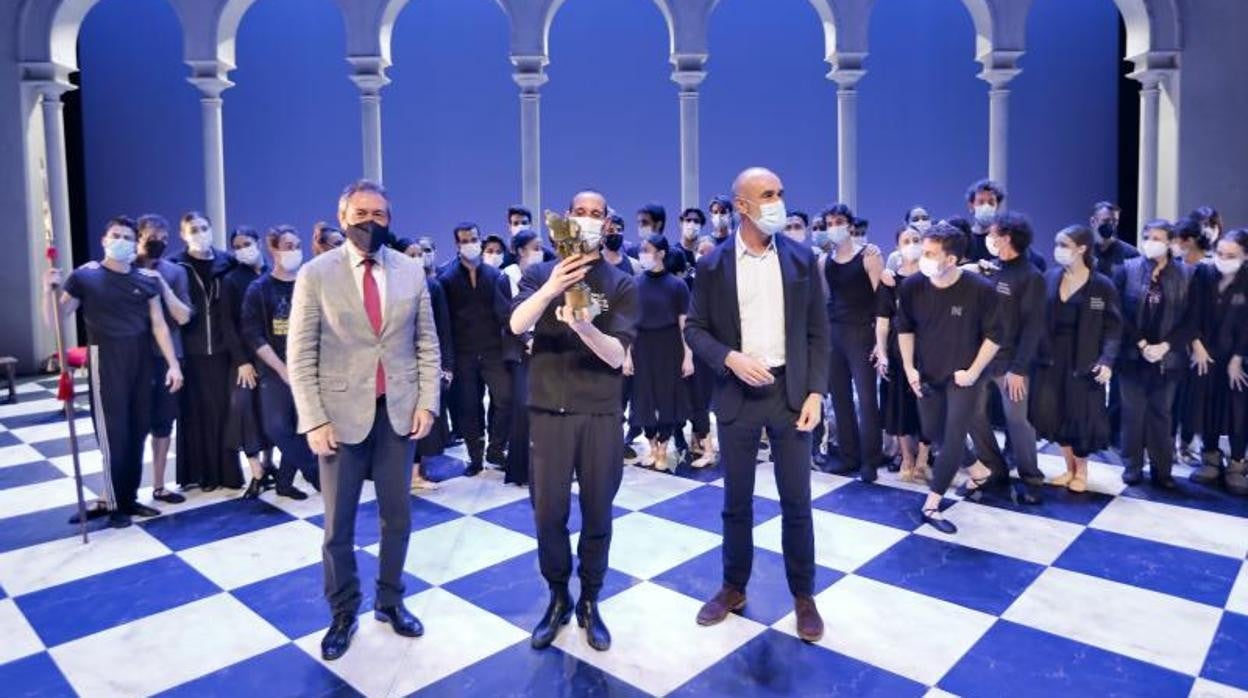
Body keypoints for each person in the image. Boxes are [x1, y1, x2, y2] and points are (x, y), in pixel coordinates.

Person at [288, 180, 441, 661]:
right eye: (361, 213)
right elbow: (300, 352)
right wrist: (312, 420)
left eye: (379, 214)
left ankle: (390, 601)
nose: (369, 222)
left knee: (397, 518)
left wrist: (428, 402)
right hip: (338, 417)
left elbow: (427, 345)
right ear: (342, 217)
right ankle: (342, 612)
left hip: (397, 413)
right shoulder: (315, 274)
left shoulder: (411, 271)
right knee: (339, 526)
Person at [685, 167, 828, 643]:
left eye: (781, 194)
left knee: (797, 503)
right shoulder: (711, 264)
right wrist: (729, 358)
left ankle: (803, 595)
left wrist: (815, 392)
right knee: (735, 503)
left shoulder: (804, 259)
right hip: (738, 393)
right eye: (768, 195)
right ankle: (733, 586)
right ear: (742, 206)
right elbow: (696, 330)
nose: (778, 202)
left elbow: (817, 333)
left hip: (790, 394)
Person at [509, 189, 639, 652]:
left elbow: (617, 354)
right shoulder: (537, 272)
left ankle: (591, 599)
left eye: (596, 214)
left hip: (600, 413)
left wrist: (585, 326)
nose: (586, 220)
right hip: (548, 412)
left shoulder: (621, 282)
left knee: (599, 512)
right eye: (579, 213)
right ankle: (559, 596)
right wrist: (550, 288)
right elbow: (516, 325)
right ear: (565, 220)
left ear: (607, 224)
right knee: (549, 515)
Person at [44, 216, 184, 528]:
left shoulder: (145, 279)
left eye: (126, 236)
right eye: (115, 235)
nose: (120, 240)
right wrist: (47, 291)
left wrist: (173, 364)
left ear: (135, 244)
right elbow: (58, 318)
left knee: (137, 432)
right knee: (113, 435)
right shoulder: (85, 276)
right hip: (105, 359)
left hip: (141, 359)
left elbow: (159, 325)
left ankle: (130, 498)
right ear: (104, 239)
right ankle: (113, 502)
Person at [897, 222, 1001, 535]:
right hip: (928, 373)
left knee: (953, 438)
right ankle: (980, 471)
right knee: (933, 432)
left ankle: (932, 503)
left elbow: (995, 336)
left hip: (964, 378)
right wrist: (909, 368)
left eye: (929, 253)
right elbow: (905, 328)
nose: (922, 257)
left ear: (951, 259)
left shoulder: (979, 289)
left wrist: (973, 372)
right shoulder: (914, 285)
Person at [963, 212, 1046, 504]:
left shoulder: (1031, 276)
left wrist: (1019, 368)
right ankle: (995, 469)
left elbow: (1034, 327)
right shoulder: (993, 269)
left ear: (1007, 237)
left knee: (1017, 421)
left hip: (1011, 363)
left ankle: (1031, 478)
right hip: (983, 359)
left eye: (994, 234)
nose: (990, 238)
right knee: (972, 414)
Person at [1032, 225, 1121, 492]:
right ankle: (1068, 468)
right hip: (1051, 360)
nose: (1058, 250)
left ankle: (1081, 471)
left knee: (1081, 416)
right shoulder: (1049, 277)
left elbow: (1114, 327)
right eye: (1057, 244)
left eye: (1064, 245)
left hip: (1084, 360)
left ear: (1081, 249)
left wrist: (1107, 360)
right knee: (1056, 414)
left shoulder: (1102, 285)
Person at [1114, 220, 1194, 488]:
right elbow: (1119, 313)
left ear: (1170, 242)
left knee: (1162, 413)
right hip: (1133, 355)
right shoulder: (1128, 268)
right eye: (1147, 236)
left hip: (1168, 358)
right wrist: (1142, 344)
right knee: (1132, 413)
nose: (1150, 241)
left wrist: (1165, 346)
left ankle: (1163, 470)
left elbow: (1190, 320)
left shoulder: (1186, 274)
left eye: (1157, 237)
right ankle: (1132, 466)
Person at [241, 225, 317, 499]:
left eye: (297, 245)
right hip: (275, 369)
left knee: (302, 425)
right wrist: (281, 368)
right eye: (288, 246)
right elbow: (252, 333)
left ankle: (285, 482)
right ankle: (314, 472)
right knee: (277, 427)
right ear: (273, 250)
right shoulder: (259, 289)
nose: (294, 251)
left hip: (308, 366)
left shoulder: (308, 283)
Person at [438, 222, 513, 475]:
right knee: (469, 406)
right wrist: (446, 362)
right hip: (463, 353)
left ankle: (496, 447)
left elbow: (505, 315)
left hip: (493, 350)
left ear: (479, 241)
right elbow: (444, 323)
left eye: (473, 239)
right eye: (464, 240)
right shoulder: (446, 279)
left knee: (505, 397)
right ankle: (475, 456)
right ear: (458, 244)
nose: (470, 244)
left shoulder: (495, 276)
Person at [175, 212, 241, 491]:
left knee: (226, 413)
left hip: (225, 350)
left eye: (204, 228)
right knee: (195, 414)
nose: (200, 233)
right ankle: (200, 475)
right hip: (191, 351)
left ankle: (227, 473)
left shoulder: (228, 262)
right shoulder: (175, 265)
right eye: (193, 229)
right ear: (183, 234)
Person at [817, 203, 883, 481]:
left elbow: (883, 302)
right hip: (835, 334)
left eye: (839, 221)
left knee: (867, 399)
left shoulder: (869, 257)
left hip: (862, 333)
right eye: (830, 222)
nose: (835, 227)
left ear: (850, 224)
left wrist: (881, 341)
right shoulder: (824, 262)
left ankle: (870, 461)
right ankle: (848, 455)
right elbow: (824, 300)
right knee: (840, 398)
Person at [134, 214, 192, 504]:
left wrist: (163, 286)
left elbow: (183, 316)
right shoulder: (125, 269)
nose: (159, 242)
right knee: (133, 424)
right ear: (139, 237)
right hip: (133, 357)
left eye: (164, 238)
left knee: (163, 421)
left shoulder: (175, 272)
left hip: (169, 357)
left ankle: (159, 484)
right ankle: (124, 488)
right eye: (152, 236)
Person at [625, 235, 693, 472]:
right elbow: (629, 323)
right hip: (641, 345)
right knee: (643, 398)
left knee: (667, 398)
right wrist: (626, 355)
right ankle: (651, 445)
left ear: (661, 253)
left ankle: (664, 448)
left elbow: (685, 324)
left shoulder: (677, 285)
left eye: (647, 249)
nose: (643, 253)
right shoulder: (634, 283)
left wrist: (688, 356)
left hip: (669, 344)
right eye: (641, 249)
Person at [1188, 229, 1248, 493]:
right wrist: (1197, 344)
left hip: (1239, 357)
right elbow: (1191, 311)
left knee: (1238, 411)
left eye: (1231, 255)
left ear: (1245, 256)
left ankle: (1237, 463)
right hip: (1206, 353)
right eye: (1220, 253)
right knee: (1206, 405)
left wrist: (1238, 357)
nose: (1223, 259)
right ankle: (1210, 458)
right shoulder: (1203, 273)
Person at [222, 226, 275, 498]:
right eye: (238, 245)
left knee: (270, 412)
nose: (243, 249)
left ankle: (269, 464)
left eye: (247, 243)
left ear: (259, 244)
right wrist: (242, 360)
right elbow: (228, 325)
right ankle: (255, 471)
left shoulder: (272, 274)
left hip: (272, 356)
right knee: (243, 409)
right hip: (244, 359)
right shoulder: (231, 280)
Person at [873, 226, 929, 482]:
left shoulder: (934, 278)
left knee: (927, 408)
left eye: (917, 240)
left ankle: (923, 459)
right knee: (898, 408)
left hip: (929, 351)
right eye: (907, 240)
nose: (912, 244)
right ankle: (906, 456)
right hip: (897, 353)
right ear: (897, 246)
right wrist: (882, 353)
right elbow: (882, 322)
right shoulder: (890, 281)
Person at [406, 236, 454, 490]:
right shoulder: (394, 287)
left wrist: (446, 365)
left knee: (424, 416)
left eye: (419, 254)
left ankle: (418, 471)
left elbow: (442, 328)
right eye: (410, 254)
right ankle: (407, 473)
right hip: (401, 365)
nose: (416, 259)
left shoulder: (432, 286)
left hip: (428, 362)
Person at [502, 229, 543, 486]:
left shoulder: (545, 274)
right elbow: (504, 316)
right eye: (534, 247)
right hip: (521, 351)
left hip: (545, 348)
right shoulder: (506, 277)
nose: (539, 252)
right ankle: (520, 470)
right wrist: (526, 340)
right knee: (522, 408)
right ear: (520, 250)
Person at [1171, 217, 1211, 464]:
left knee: (1193, 398)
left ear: (1189, 241)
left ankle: (1187, 444)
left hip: (1203, 342)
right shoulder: (1174, 266)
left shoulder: (1207, 269)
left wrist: (1196, 340)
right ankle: (1168, 444)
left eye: (1177, 240)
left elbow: (1203, 311)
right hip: (1176, 339)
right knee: (1173, 397)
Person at [1090, 202, 1138, 278]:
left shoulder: (1130, 253)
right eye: (1106, 221)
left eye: (1114, 221)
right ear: (1093, 222)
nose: (1111, 225)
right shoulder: (1083, 251)